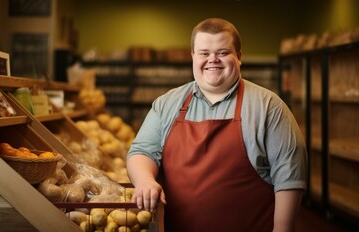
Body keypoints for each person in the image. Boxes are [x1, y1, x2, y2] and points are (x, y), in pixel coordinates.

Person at [126, 18, 307, 232]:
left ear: (238, 57)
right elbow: (141, 151)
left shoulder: (268, 107)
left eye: (222, 53)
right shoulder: (167, 104)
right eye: (204, 53)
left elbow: (290, 177)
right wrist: (145, 180)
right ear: (193, 56)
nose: (213, 60)